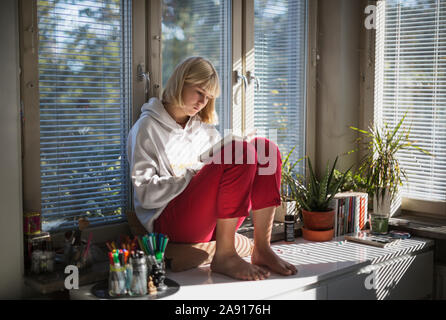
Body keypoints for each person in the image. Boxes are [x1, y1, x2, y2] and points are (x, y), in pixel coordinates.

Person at [127, 56, 297, 281]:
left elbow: (229, 179)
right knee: (240, 152)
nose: (202, 102)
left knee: (266, 149)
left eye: (208, 98)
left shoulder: (204, 131)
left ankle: (262, 248)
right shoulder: (146, 128)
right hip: (170, 222)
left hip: (212, 221)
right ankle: (225, 255)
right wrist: (194, 174)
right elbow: (146, 195)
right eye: (199, 92)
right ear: (180, 82)